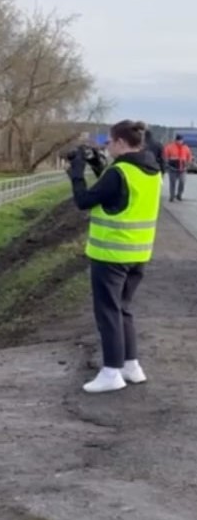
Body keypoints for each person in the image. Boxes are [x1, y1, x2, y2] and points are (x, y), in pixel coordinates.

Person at [67, 119, 162, 393]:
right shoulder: (151, 170)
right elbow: (115, 197)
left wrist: (76, 173)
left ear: (120, 143)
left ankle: (111, 372)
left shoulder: (119, 171)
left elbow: (84, 201)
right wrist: (99, 167)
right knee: (124, 309)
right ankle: (131, 366)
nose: (107, 146)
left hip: (111, 254)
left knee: (108, 312)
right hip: (139, 253)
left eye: (109, 142)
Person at [163, 134, 193, 201]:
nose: (179, 141)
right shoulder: (169, 147)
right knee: (172, 183)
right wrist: (167, 162)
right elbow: (165, 155)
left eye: (181, 140)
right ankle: (172, 196)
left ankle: (179, 195)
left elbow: (189, 156)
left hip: (183, 168)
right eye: (178, 140)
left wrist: (188, 163)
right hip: (172, 168)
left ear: (182, 140)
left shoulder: (186, 148)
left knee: (182, 182)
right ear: (175, 140)